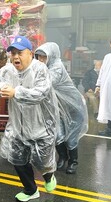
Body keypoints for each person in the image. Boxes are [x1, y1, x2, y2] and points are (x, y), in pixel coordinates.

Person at [0, 36, 59, 202]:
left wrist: (16, 92)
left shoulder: (40, 69)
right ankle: (30, 189)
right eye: (12, 53)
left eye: (19, 53)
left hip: (40, 125)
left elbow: (41, 93)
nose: (15, 57)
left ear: (30, 54)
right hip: (17, 125)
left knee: (42, 161)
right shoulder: (7, 70)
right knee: (17, 159)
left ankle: (49, 177)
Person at [35, 42, 88, 174]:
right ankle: (63, 157)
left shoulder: (57, 67)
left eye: (44, 57)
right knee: (58, 134)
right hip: (57, 107)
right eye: (38, 57)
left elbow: (47, 83)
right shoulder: (41, 67)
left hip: (73, 108)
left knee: (71, 138)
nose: (41, 60)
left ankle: (73, 162)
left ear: (51, 56)